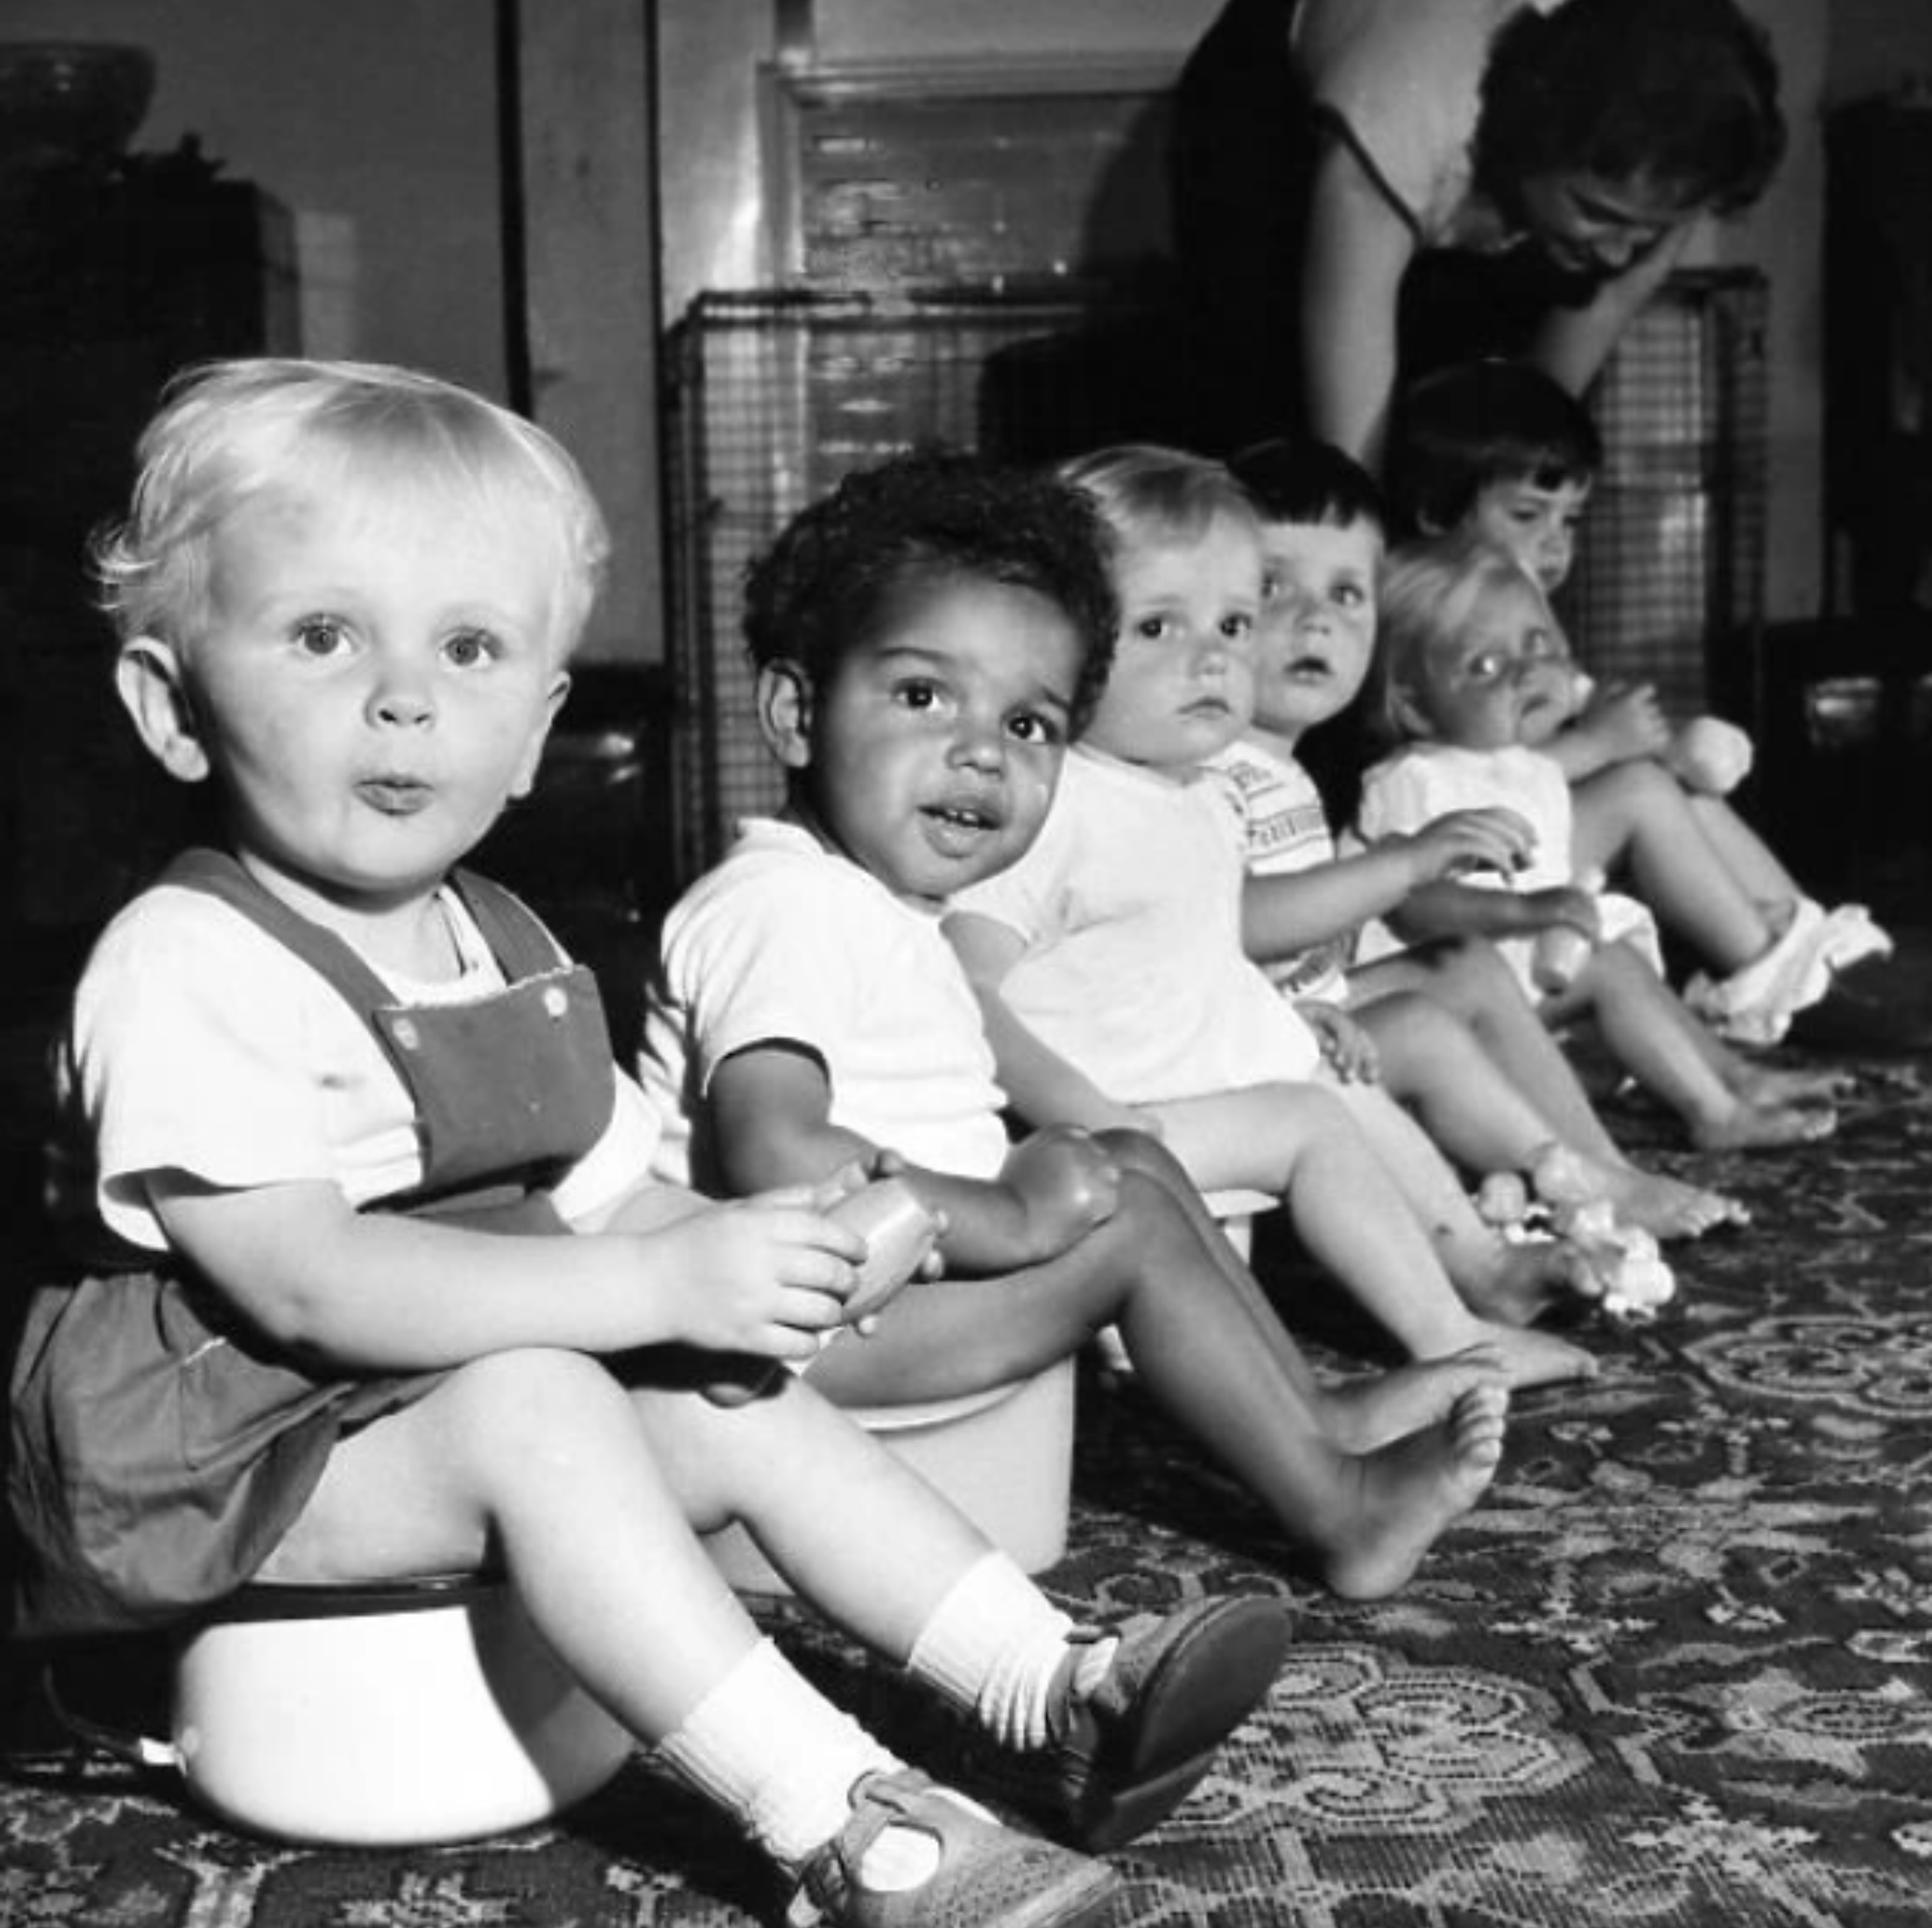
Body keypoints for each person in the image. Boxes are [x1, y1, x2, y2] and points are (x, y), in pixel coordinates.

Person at [5, 360, 1298, 1928]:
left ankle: (1047, 1682)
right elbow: (309, 1285)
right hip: (222, 1457)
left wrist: (761, 1261)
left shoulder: (504, 939)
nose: (403, 696)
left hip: (425, 1403)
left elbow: (615, 1185)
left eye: (469, 647)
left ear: (539, 725)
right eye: (324, 635)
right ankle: (843, 1828)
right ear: (171, 702)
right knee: (551, 1399)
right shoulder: (186, 959)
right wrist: (658, 1289)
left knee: (720, 1384)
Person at [639, 447, 1519, 1603]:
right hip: (777, 1337)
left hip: (868, 1284)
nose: (980, 751)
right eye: (921, 696)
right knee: (1127, 1231)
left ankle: (1305, 1410)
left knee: (1134, 1162)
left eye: (1032, 724)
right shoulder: (784, 906)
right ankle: (1338, 1508)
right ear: (796, 713)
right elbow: (777, 1154)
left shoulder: (878, 901)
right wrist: (1004, 1211)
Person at [938, 444, 1600, 1372]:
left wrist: (1289, 1014)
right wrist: (1086, 1111)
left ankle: (1450, 1291)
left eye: (1235, 624)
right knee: (1308, 1127)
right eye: (1159, 628)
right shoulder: (1055, 806)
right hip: (1080, 1131)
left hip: (1170, 1104)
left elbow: (1206, 943)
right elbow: (958, 985)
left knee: (1315, 1105)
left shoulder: (1199, 795)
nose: (1210, 657)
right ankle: (1452, 1340)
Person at [1219, 434, 1743, 1240]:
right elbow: (1236, 928)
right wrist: (1401, 866)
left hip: (1310, 1009)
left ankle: (1604, 1167)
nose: (1313, 618)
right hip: (1247, 1037)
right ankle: (1555, 1179)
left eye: (1347, 594)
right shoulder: (1209, 768)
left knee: (1461, 968)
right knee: (1430, 1016)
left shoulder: (1289, 768)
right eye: (1271, 588)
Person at [1384, 356, 1893, 1046]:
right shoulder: (1426, 619)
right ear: (1437, 512)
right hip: (1475, 886)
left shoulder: (1526, 620)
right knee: (1639, 791)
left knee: (1671, 784)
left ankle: (1803, 939)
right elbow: (1464, 777)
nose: (1555, 542)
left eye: (1570, 519)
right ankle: (1769, 971)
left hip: (1540, 852)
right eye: (1529, 514)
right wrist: (1600, 746)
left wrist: (1667, 747)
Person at [1357, 532, 1838, 1154]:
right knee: (1609, 968)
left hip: (1513, 968)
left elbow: (1567, 776)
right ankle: (1714, 1111)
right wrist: (1528, 912)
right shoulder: (1414, 780)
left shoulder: (1514, 764)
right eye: (1486, 666)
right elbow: (1419, 905)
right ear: (1416, 705)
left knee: (1618, 960)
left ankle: (1736, 1075)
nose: (1528, 672)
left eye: (1539, 645)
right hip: (1445, 988)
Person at [1168, 0, 1786, 471]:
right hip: (1263, 111)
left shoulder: (1698, 108)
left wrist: (1505, 494)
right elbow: (1349, 444)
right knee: (1272, 428)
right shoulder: (1421, 92)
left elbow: (1602, 309)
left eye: (1646, 232)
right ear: (1534, 141)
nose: (1620, 251)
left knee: (1463, 435)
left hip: (1495, 138)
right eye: (1601, 215)